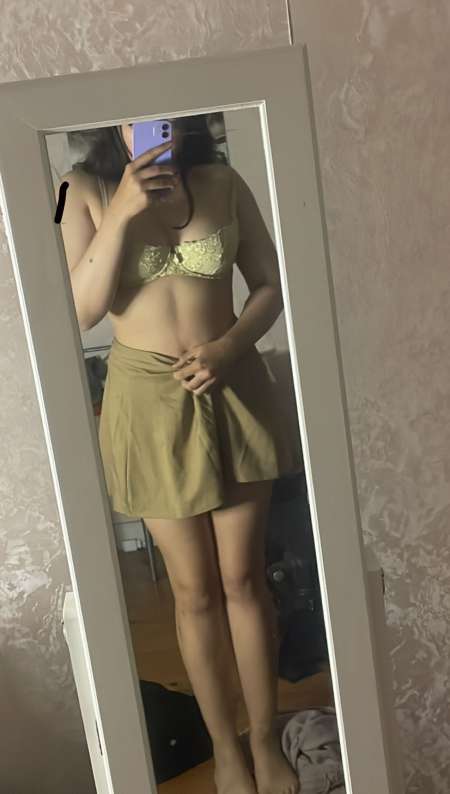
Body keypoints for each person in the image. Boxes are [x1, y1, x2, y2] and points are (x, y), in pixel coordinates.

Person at [58, 115, 301, 794]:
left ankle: (265, 738)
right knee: (193, 592)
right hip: (146, 398)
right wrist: (121, 210)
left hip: (234, 379)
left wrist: (230, 345)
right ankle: (224, 748)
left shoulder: (222, 179)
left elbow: (271, 284)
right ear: (112, 118)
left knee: (245, 579)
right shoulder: (75, 189)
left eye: (162, 114)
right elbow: (78, 311)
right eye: (133, 116)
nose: (149, 126)